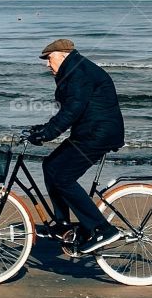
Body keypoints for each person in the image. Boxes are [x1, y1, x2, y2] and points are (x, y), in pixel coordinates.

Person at [27, 38, 125, 254]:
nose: (46, 64)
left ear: (63, 55)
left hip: (98, 134)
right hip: (90, 132)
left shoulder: (78, 73)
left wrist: (49, 133)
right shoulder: (74, 70)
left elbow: (73, 109)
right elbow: (69, 110)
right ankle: (63, 224)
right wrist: (44, 128)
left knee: (63, 177)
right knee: (51, 166)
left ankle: (102, 229)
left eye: (49, 58)